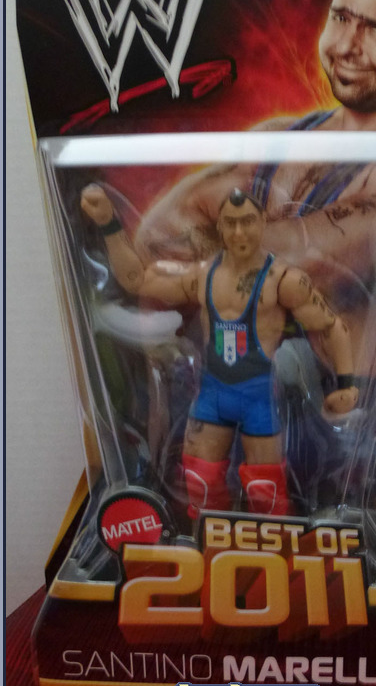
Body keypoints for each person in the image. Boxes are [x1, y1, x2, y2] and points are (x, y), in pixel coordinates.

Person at [132, 0, 376, 378]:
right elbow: (157, 237)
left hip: (345, 412)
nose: (346, 46)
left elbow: (299, 264)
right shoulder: (278, 137)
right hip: (222, 396)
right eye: (340, 18)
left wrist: (208, 262)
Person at [81, 185, 359, 518]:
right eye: (231, 223)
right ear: (220, 228)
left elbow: (331, 326)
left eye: (247, 222)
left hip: (258, 396)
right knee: (199, 482)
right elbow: (136, 281)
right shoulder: (202, 275)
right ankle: (210, 543)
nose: (239, 232)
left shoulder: (283, 280)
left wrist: (347, 385)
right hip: (213, 394)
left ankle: (274, 544)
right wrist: (109, 224)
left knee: (265, 490)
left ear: (262, 222)